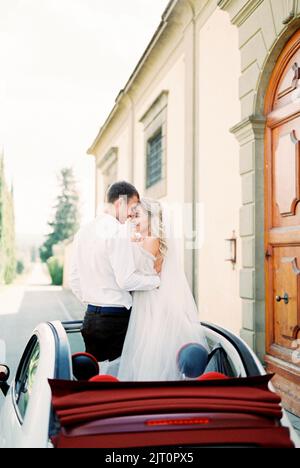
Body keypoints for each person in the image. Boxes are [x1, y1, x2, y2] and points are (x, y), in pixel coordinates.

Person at [69, 181, 161, 363]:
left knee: (96, 377)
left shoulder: (82, 232)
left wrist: (96, 300)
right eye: (132, 207)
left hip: (90, 319)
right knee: (117, 381)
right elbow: (126, 280)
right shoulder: (118, 232)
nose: (130, 215)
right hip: (115, 321)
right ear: (120, 203)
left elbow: (74, 280)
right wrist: (155, 282)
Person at [118, 197, 208, 381]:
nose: (133, 221)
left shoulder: (150, 241)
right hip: (151, 298)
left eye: (137, 216)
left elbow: (134, 272)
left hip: (151, 302)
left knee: (149, 349)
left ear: (151, 218)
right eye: (133, 216)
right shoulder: (149, 239)